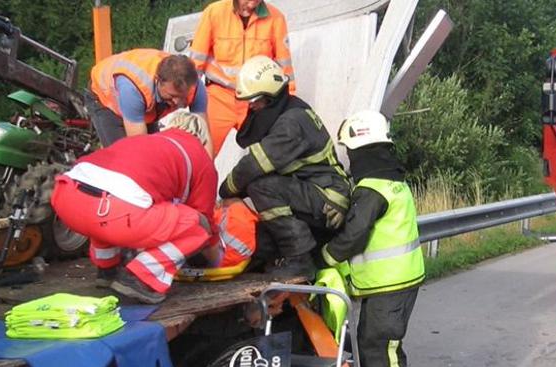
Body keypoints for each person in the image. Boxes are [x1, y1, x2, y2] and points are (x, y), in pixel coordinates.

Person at [320, 110, 426, 367]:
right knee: (372, 349)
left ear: (360, 150)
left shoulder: (372, 189)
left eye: (350, 152)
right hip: (391, 283)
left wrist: (324, 256)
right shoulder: (391, 180)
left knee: (381, 352)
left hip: (390, 285)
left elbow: (354, 236)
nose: (349, 159)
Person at [50, 112, 220, 303]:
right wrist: (217, 261)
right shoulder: (200, 158)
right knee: (197, 225)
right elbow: (205, 220)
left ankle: (107, 270)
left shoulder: (147, 141)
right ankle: (141, 278)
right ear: (203, 139)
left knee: (111, 202)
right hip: (116, 213)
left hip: (67, 196)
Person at [217, 56, 350, 279]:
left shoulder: (290, 123)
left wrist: (224, 192)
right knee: (261, 202)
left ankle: (299, 258)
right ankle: (278, 258)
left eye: (256, 100)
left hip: (326, 199)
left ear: (270, 97)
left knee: (261, 186)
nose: (252, 106)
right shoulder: (290, 110)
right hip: (317, 192)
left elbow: (253, 166)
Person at [189, 0, 295, 156]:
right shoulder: (214, 13)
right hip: (218, 97)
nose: (252, 5)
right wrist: (190, 99)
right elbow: (195, 63)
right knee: (200, 154)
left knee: (271, 155)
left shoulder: (276, 18)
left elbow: (284, 68)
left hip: (256, 102)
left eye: (257, 1)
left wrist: (289, 105)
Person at [87, 49, 208, 146]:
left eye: (181, 96)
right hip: (104, 100)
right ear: (158, 80)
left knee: (157, 153)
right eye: (172, 96)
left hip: (143, 103)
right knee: (124, 159)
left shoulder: (195, 87)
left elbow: (205, 136)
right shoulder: (133, 89)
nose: (176, 102)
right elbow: (140, 147)